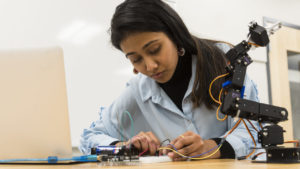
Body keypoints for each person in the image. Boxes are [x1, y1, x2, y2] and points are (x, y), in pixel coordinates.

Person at [79, 0, 260, 161]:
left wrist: (210, 148)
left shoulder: (223, 62)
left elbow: (252, 131)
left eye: (154, 49)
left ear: (175, 35)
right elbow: (90, 137)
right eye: (136, 59)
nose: (149, 66)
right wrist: (125, 146)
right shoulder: (138, 89)